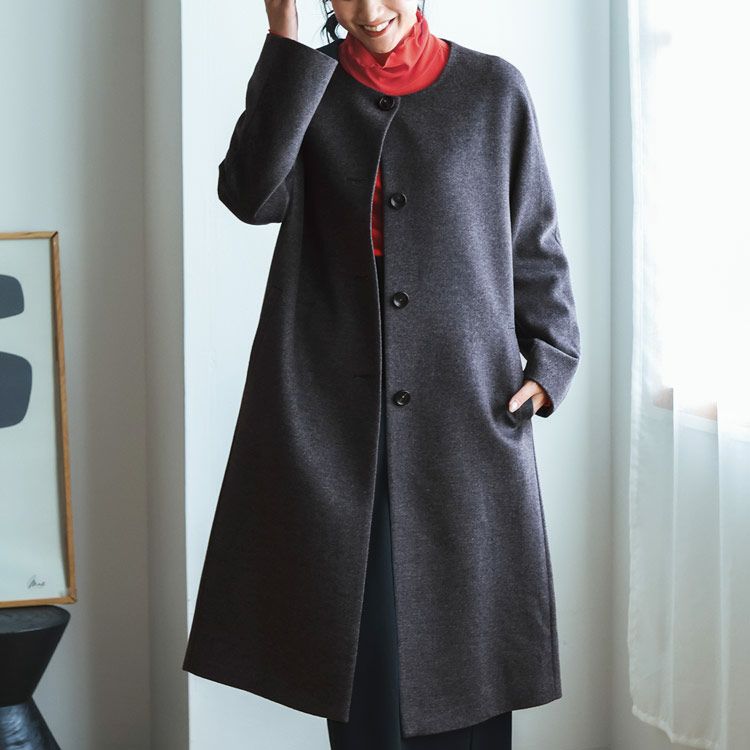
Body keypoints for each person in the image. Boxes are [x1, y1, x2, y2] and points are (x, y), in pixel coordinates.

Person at [182, 0, 581, 747]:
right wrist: (282, 42)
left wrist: (551, 359)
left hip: (467, 409)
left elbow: (533, 239)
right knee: (364, 669)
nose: (367, 11)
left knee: (470, 656)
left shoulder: (493, 90)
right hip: (337, 417)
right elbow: (250, 193)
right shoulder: (311, 85)